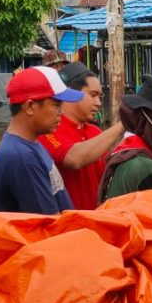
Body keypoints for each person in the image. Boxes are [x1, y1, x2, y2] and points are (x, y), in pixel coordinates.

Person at [0, 66, 82, 215]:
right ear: (30, 107)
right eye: (56, 105)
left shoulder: (28, 144)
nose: (62, 112)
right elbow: (47, 225)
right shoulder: (22, 158)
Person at [37, 62, 126, 210]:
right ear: (71, 93)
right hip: (71, 225)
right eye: (93, 95)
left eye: (100, 96)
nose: (98, 103)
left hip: (98, 221)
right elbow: (73, 159)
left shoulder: (95, 132)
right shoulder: (48, 131)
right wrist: (123, 125)